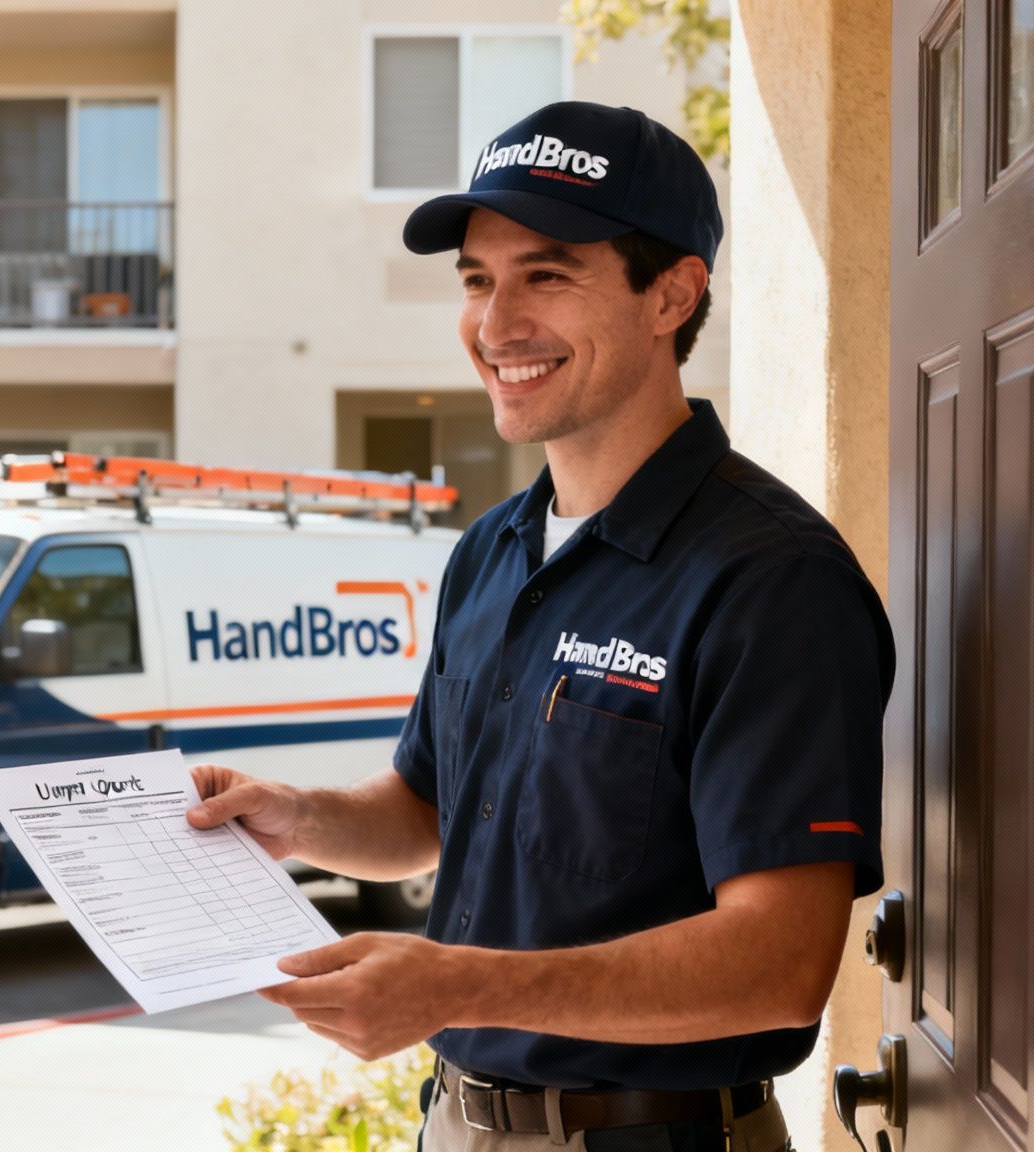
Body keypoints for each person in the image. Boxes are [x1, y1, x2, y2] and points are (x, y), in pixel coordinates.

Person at [188, 102, 895, 1151]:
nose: (494, 323)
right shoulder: (491, 551)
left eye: (546, 274)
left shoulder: (769, 580)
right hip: (457, 1126)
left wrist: (451, 985)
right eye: (476, 279)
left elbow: (779, 969)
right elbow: (426, 810)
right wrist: (297, 816)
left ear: (670, 294)